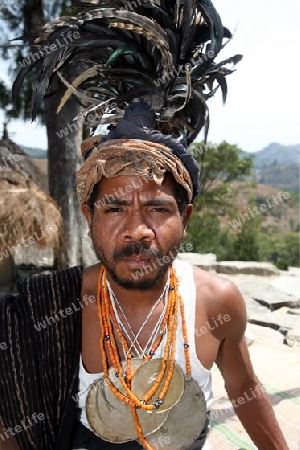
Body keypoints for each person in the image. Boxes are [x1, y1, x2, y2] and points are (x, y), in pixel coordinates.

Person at [0, 1, 289, 449]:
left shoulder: (217, 303)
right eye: (114, 209)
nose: (137, 230)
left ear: (185, 218)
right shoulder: (47, 310)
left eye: (157, 209)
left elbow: (245, 392)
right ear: (88, 217)